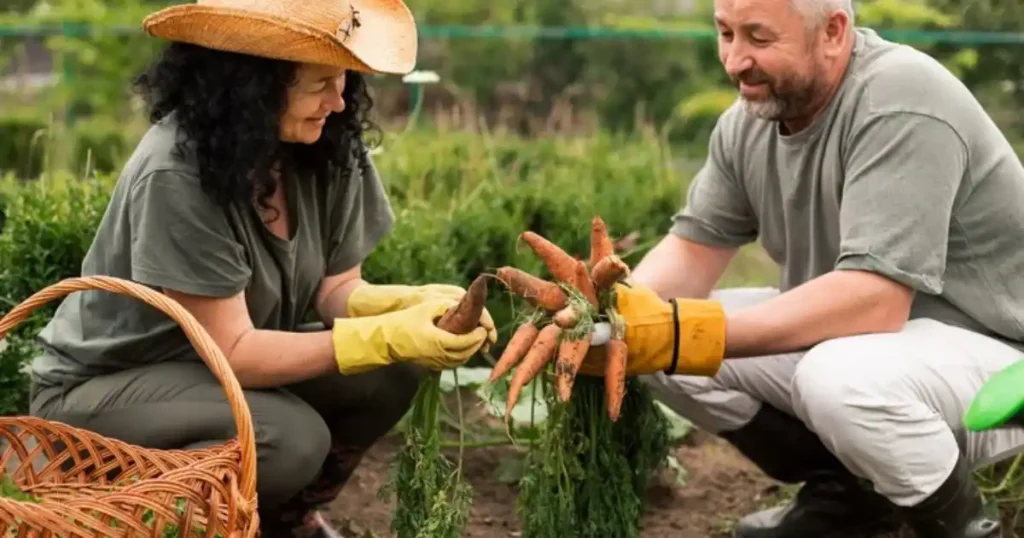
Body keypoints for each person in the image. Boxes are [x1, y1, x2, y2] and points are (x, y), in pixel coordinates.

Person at [25, 0, 496, 536]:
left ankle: (283, 520)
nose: (339, 101)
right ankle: (124, 517)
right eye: (320, 83)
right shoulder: (178, 172)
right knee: (287, 438)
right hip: (107, 391)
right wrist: (384, 335)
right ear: (253, 86)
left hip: (208, 376)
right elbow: (234, 352)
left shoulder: (325, 145)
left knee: (389, 374)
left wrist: (401, 308)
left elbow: (336, 288)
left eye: (343, 79)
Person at [579, 0, 1024, 536]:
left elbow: (875, 301)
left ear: (834, 31)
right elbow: (690, 254)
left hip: (1000, 357)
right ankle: (852, 502)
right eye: (725, 33)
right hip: (883, 348)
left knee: (833, 378)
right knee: (651, 348)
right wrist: (607, 319)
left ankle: (965, 528)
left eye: (759, 39)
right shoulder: (745, 126)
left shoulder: (901, 99)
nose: (734, 60)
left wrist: (683, 334)